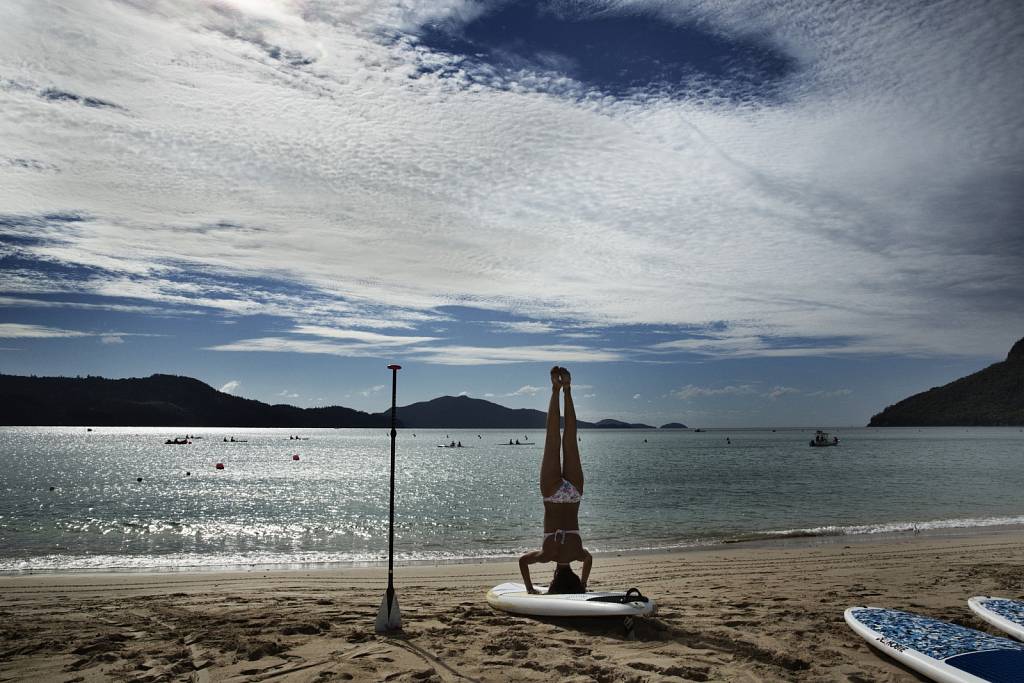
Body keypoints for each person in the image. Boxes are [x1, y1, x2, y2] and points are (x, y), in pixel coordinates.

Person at [518, 366, 592, 594]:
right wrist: (530, 588)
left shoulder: (579, 554)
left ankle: (567, 389)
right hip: (551, 494)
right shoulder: (547, 555)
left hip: (574, 495)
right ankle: (555, 389)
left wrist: (583, 584)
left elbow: (589, 561)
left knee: (569, 438)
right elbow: (522, 561)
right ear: (555, 579)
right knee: (552, 438)